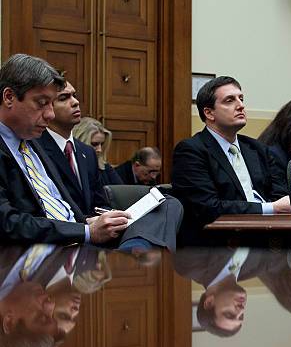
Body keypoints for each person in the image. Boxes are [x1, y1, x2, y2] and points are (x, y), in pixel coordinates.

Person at [0, 54, 182, 249]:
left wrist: (90, 223)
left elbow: (61, 205)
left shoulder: (31, 142)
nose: (50, 114)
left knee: (167, 204)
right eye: (42, 103)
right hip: (44, 252)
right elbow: (8, 223)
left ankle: (134, 254)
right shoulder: (33, 141)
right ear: (9, 97)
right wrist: (86, 231)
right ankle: (135, 259)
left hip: (79, 234)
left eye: (52, 104)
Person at [172, 76, 290, 242]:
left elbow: (281, 195)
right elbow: (207, 208)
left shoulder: (257, 149)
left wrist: (274, 208)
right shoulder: (191, 151)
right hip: (218, 245)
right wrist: (270, 208)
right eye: (229, 100)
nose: (241, 105)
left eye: (241, 99)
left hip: (268, 237)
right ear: (209, 113)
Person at [37, 81, 108, 216]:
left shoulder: (87, 152)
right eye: (64, 98)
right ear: (47, 107)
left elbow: (99, 203)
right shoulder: (35, 148)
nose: (75, 102)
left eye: (74, 95)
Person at [73, 116, 123, 186]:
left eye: (102, 144)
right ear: (80, 141)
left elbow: (120, 190)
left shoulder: (104, 167)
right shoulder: (72, 167)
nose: (99, 150)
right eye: (94, 144)